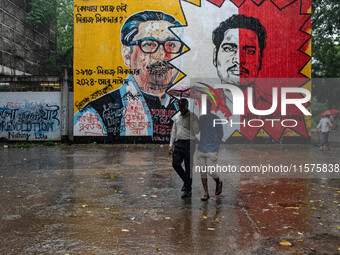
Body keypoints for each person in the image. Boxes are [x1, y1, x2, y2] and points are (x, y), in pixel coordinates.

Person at [74, 11, 183, 140]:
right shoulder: (93, 117)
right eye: (148, 44)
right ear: (127, 55)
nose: (162, 55)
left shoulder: (191, 106)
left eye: (171, 45)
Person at [212, 14, 271, 106]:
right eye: (229, 49)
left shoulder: (281, 108)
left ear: (261, 60)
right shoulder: (197, 106)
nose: (239, 60)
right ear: (215, 56)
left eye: (250, 51)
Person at [169, 99, 199, 198]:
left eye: (183, 106)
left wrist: (194, 123)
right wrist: (171, 145)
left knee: (188, 166)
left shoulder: (193, 116)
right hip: (178, 143)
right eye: (179, 106)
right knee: (175, 163)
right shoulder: (177, 117)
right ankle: (187, 183)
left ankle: (187, 190)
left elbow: (197, 131)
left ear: (187, 105)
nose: (181, 108)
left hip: (189, 143)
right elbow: (174, 131)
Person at [197, 100, 223, 201]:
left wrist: (215, 145)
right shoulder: (201, 119)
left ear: (210, 107)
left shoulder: (216, 119)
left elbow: (221, 134)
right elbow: (198, 130)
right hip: (201, 148)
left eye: (207, 106)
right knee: (203, 171)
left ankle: (218, 181)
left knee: (211, 171)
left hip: (212, 148)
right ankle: (206, 193)